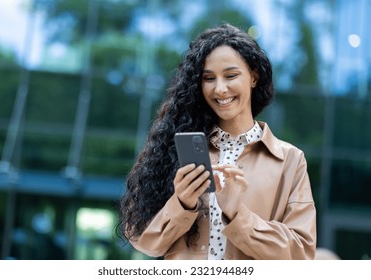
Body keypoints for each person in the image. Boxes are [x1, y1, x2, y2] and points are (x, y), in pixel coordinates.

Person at [119, 23, 316, 260]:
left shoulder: (290, 161)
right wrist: (182, 203)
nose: (220, 89)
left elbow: (301, 255)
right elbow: (143, 240)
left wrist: (237, 214)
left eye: (231, 75)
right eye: (209, 78)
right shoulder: (176, 148)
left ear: (254, 76)